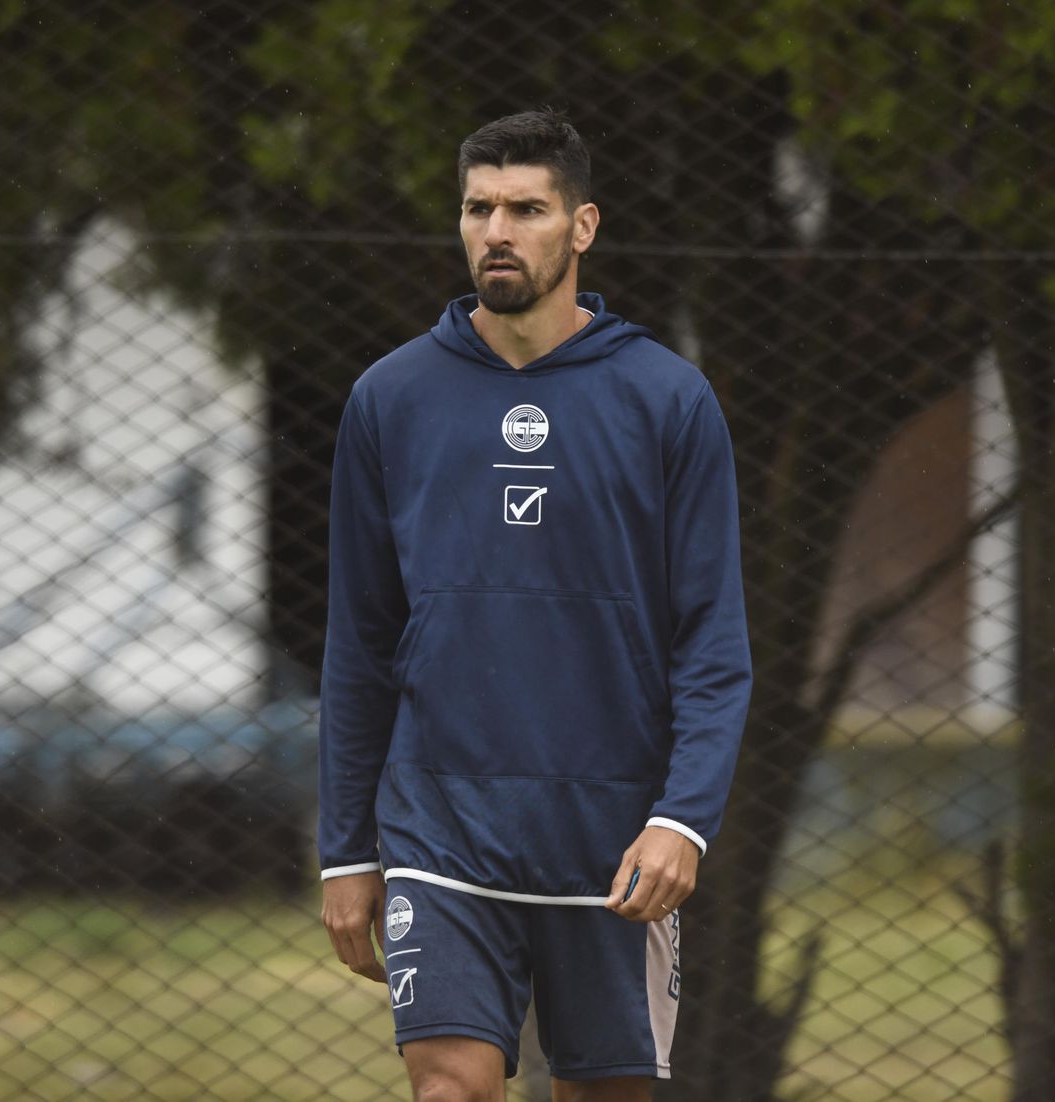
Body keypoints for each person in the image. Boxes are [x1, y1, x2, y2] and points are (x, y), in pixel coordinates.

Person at [317, 109, 752, 1102]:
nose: (496, 232)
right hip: (439, 828)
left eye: (526, 209)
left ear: (582, 225)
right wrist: (345, 850)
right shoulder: (390, 397)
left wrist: (681, 820)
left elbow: (711, 641)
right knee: (449, 1089)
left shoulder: (666, 398)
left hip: (612, 839)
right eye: (478, 209)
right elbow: (359, 643)